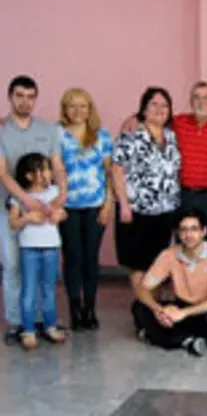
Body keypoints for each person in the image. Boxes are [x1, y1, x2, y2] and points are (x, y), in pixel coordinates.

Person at [119, 81, 207, 245]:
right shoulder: (178, 123)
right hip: (182, 195)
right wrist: (133, 119)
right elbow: (154, 118)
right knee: (183, 244)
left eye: (206, 98)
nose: (201, 102)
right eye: (196, 97)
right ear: (191, 102)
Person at [0, 75, 68, 343]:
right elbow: (3, 173)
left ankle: (41, 319)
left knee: (42, 270)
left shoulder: (48, 130)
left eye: (30, 97)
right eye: (19, 96)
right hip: (11, 206)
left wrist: (61, 195)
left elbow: (57, 166)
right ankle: (17, 322)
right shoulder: (2, 130)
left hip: (45, 208)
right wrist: (25, 200)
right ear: (10, 97)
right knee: (13, 265)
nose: (25, 102)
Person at [131, 208, 207, 356]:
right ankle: (187, 340)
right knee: (139, 307)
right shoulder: (168, 255)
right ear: (178, 233)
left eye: (194, 229)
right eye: (184, 230)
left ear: (204, 231)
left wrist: (183, 313)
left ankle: (163, 336)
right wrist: (159, 310)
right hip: (182, 305)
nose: (189, 235)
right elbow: (142, 289)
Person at [113, 87, 181, 299]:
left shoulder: (171, 137)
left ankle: (155, 308)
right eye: (154, 104)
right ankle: (145, 309)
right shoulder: (130, 136)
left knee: (158, 264)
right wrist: (124, 204)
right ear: (143, 109)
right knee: (138, 264)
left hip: (166, 210)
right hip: (136, 210)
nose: (160, 109)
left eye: (164, 105)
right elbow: (117, 170)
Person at [58, 87, 114, 331]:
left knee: (91, 258)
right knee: (73, 258)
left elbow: (110, 173)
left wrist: (108, 204)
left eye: (83, 105)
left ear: (90, 109)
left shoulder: (102, 135)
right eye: (72, 105)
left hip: (95, 206)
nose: (78, 110)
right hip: (67, 207)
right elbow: (52, 172)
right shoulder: (56, 135)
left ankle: (89, 308)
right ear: (64, 109)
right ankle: (74, 310)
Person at [9, 153, 68, 350]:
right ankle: (28, 330)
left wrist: (59, 215)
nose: (49, 173)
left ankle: (50, 326)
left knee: (49, 289)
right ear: (29, 175)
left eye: (49, 169)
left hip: (51, 247)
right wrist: (28, 218)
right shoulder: (20, 197)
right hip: (29, 249)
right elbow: (13, 223)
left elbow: (63, 212)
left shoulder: (54, 192)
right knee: (29, 290)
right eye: (44, 169)